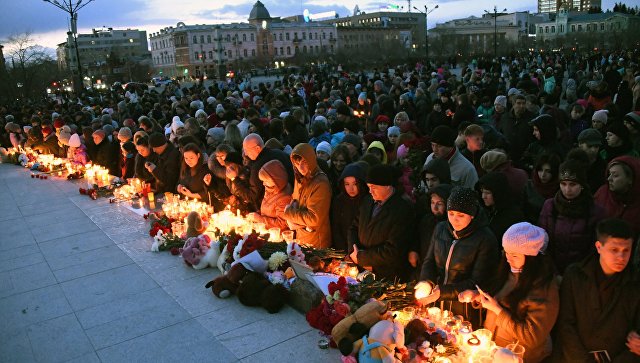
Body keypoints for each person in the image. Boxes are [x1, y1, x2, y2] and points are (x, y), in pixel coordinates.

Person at [459, 223, 559, 363]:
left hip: (520, 356)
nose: (508, 258)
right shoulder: (508, 271)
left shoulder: (543, 288)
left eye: (514, 255)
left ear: (531, 256)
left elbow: (532, 337)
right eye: (505, 252)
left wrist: (497, 310)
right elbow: (499, 297)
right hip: (496, 350)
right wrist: (478, 296)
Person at [554, 218, 640, 362]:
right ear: (599, 247)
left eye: (626, 250)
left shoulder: (636, 283)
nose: (621, 257)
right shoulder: (575, 276)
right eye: (614, 250)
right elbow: (565, 324)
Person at [417, 187, 501, 325]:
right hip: (436, 302)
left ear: (472, 215)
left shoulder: (485, 239)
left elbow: (478, 281)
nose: (454, 220)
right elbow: (429, 260)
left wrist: (442, 292)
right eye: (451, 213)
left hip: (464, 307)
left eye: (461, 215)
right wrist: (426, 281)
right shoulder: (441, 229)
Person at [348, 164, 414, 281]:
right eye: (368, 187)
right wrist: (353, 251)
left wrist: (362, 258)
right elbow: (354, 227)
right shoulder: (367, 201)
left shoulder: (401, 209)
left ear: (387, 186)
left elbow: (393, 250)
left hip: (386, 276)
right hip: (362, 269)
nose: (370, 191)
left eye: (374, 187)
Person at [539, 159, 605, 274]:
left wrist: (578, 274)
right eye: (563, 184)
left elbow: (594, 250)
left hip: (581, 274)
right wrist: (551, 271)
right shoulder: (550, 206)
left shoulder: (595, 211)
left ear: (582, 185)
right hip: (552, 272)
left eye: (573, 184)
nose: (567, 190)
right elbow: (542, 243)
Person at [283, 143, 332, 248]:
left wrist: (289, 214)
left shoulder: (320, 183)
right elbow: (295, 199)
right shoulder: (300, 178)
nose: (300, 167)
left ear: (311, 160)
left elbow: (314, 218)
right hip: (302, 239)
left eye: (304, 162)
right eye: (297, 163)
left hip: (316, 242)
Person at [408, 184, 453, 279]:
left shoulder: (453, 225)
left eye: (440, 203)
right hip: (424, 267)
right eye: (432, 203)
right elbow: (416, 236)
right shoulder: (427, 220)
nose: (435, 207)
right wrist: (414, 250)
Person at [240, 133, 294, 212]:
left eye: (247, 150)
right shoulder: (280, 153)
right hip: (292, 199)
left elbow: (252, 195)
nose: (246, 154)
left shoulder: (258, 166)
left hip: (273, 209)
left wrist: (235, 181)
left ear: (258, 148)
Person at [594, 156, 640, 236]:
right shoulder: (602, 193)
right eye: (609, 174)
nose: (609, 179)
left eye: (615, 175)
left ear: (630, 179)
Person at [476, 172, 526, 241]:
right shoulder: (483, 211)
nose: (483, 196)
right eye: (482, 192)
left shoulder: (514, 217)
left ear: (498, 193)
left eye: (487, 193)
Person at [246, 160, 292, 231]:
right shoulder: (271, 188)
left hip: (277, 236)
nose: (264, 184)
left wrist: (260, 219)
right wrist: (257, 214)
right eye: (263, 181)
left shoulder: (284, 197)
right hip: (266, 230)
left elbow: (282, 224)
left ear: (275, 179)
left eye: (266, 181)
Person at [523, 153, 561, 224]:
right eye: (540, 170)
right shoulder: (529, 186)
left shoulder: (561, 189)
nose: (543, 175)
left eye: (548, 171)